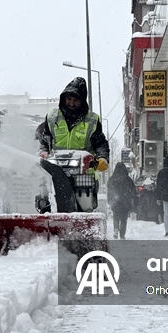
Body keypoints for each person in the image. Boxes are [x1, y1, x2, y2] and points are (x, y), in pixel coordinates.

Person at [35, 77, 111, 212]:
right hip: (55, 170)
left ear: (82, 101)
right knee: (45, 191)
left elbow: (100, 143)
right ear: (63, 98)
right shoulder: (52, 117)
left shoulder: (92, 120)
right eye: (68, 99)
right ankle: (45, 210)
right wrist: (43, 152)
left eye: (75, 100)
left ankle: (83, 224)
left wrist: (102, 158)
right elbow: (44, 140)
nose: (71, 103)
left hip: (83, 172)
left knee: (83, 206)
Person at [107, 162, 137, 239]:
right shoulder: (128, 179)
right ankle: (122, 234)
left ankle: (116, 229)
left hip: (115, 200)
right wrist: (133, 199)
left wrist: (109, 199)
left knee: (116, 216)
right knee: (124, 218)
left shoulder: (112, 178)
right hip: (125, 201)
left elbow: (109, 190)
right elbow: (133, 190)